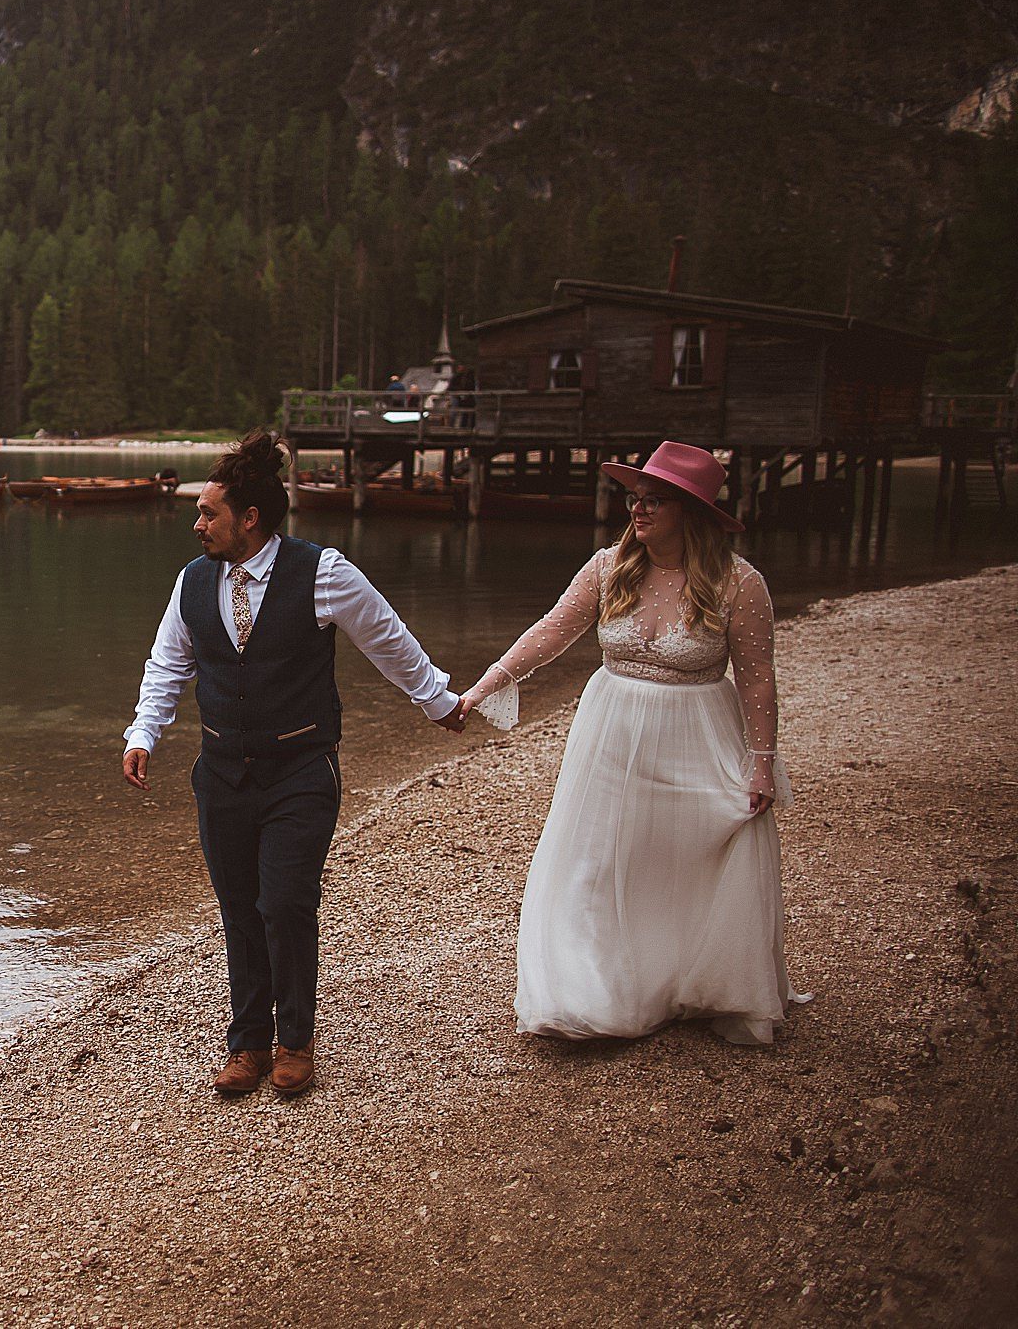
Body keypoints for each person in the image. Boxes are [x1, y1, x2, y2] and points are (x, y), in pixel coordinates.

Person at [122, 430, 465, 1097]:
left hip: (301, 770)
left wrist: (437, 700)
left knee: (284, 902)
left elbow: (387, 638)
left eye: (208, 513)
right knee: (239, 910)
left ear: (249, 519)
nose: (197, 525)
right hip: (221, 771)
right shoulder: (192, 581)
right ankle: (246, 1044)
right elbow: (168, 665)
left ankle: (296, 1040)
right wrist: (143, 736)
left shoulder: (324, 572)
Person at [456, 441, 796, 1045]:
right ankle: (591, 989)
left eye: (654, 501)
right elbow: (554, 630)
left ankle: (686, 978)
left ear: (690, 510)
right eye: (635, 499)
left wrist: (762, 764)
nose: (637, 511)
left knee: (684, 854)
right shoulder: (608, 567)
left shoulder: (738, 583)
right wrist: (487, 685)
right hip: (610, 727)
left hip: (696, 729)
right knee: (600, 856)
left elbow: (757, 679)